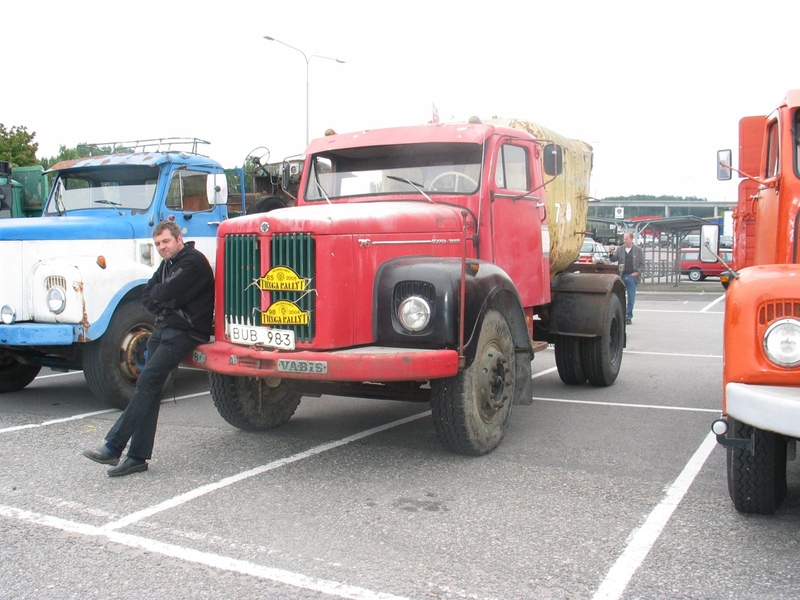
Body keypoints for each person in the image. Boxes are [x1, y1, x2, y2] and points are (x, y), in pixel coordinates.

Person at [83, 220, 214, 477]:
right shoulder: (167, 265)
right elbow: (148, 294)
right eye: (157, 244)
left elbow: (164, 292)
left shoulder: (193, 262)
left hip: (185, 332)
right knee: (149, 390)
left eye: (165, 241)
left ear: (178, 239)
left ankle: (113, 446)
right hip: (163, 329)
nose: (162, 247)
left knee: (147, 382)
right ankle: (137, 457)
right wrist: (165, 299)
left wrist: (164, 298)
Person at [610, 232, 644, 325]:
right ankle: (620, 316)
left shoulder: (638, 250)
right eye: (624, 238)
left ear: (631, 239)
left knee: (631, 298)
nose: (624, 240)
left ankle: (628, 316)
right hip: (622, 276)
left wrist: (637, 273)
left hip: (632, 276)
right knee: (620, 297)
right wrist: (611, 254)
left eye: (626, 239)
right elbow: (614, 259)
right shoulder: (620, 249)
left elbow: (642, 264)